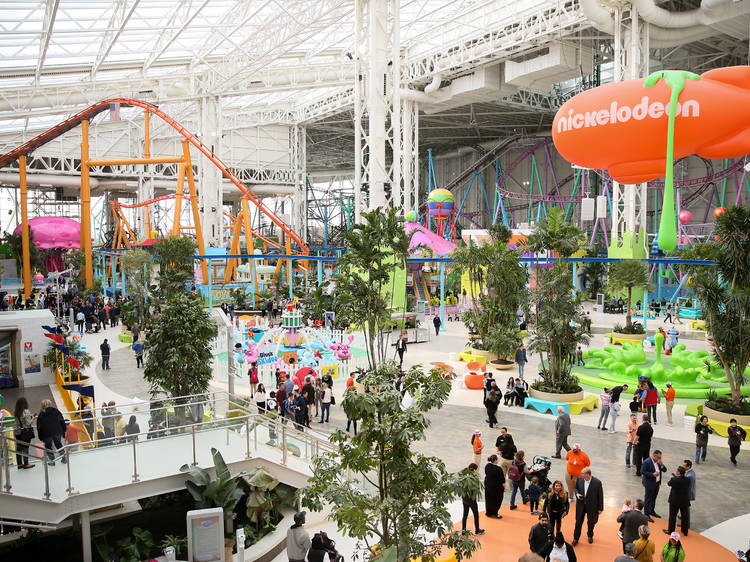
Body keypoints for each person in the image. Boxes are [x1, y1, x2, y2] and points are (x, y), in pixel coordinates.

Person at [572, 467, 604, 545]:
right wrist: (577, 494)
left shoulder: (597, 482)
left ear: (587, 474)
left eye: (582, 473)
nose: (580, 475)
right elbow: (575, 488)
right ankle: (576, 538)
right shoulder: (579, 479)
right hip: (581, 505)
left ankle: (590, 535)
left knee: (591, 522)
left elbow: (600, 496)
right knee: (578, 522)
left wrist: (600, 508)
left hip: (592, 506)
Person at [36, 399, 66, 464]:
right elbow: (62, 421)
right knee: (59, 444)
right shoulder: (56, 411)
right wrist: (64, 431)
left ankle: (52, 461)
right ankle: (64, 458)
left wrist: (40, 436)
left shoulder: (41, 414)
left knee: (48, 447)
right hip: (57, 431)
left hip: (46, 433)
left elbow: (39, 427)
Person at [664, 465, 690, 537]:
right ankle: (685, 531)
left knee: (672, 516)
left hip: (675, 500)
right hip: (684, 500)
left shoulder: (674, 479)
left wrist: (674, 478)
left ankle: (670, 530)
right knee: (685, 516)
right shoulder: (688, 479)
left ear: (678, 472)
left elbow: (669, 484)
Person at [460, 463, 485, 535]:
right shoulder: (472, 478)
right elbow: (476, 488)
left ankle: (463, 531)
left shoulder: (463, 475)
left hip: (464, 498)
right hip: (471, 499)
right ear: (474, 470)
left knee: (465, 515)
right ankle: (477, 530)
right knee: (476, 515)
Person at [641, 450, 666, 520]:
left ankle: (651, 511)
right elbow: (642, 472)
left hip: (657, 483)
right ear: (654, 455)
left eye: (660, 457)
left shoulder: (659, 462)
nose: (659, 459)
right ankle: (646, 514)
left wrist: (662, 465)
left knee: (654, 498)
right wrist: (652, 474)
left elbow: (665, 470)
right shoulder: (647, 462)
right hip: (649, 484)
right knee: (648, 499)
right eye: (658, 457)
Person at [13, 397, 35, 469]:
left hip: (17, 432)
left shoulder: (15, 412)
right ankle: (26, 464)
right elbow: (28, 423)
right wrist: (33, 418)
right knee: (25, 447)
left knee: (19, 448)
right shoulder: (26, 411)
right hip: (25, 432)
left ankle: (19, 464)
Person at [484, 454, 506, 518]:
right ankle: (495, 513)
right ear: (495, 460)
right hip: (496, 487)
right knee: (497, 500)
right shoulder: (498, 469)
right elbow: (502, 480)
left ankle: (488, 512)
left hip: (488, 485)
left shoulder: (487, 466)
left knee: (488, 499)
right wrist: (504, 488)